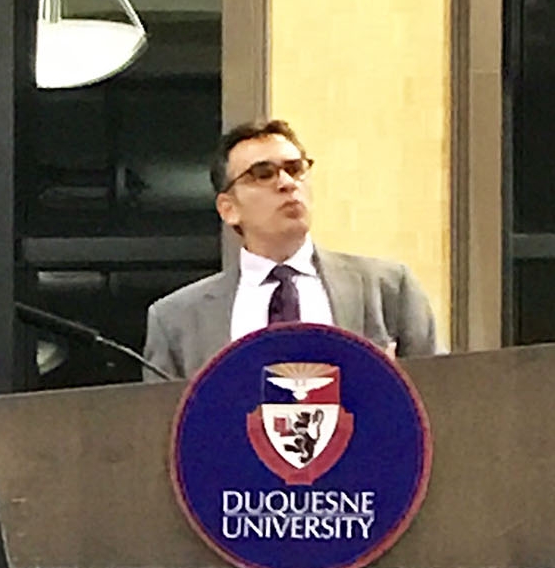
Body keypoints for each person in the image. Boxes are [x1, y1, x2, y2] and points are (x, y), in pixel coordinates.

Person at [142, 117, 437, 380]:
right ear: (228, 208)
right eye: (263, 174)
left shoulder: (388, 288)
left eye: (295, 169)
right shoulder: (176, 320)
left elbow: (442, 398)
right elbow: (160, 421)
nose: (287, 183)